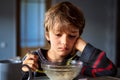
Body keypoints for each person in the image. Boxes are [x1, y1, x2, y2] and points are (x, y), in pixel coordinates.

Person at [21, 1, 117, 80]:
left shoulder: (78, 65)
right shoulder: (33, 59)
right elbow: (21, 76)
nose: (64, 42)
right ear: (47, 35)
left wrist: (84, 47)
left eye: (72, 36)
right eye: (58, 34)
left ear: (78, 37)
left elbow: (110, 69)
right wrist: (25, 70)